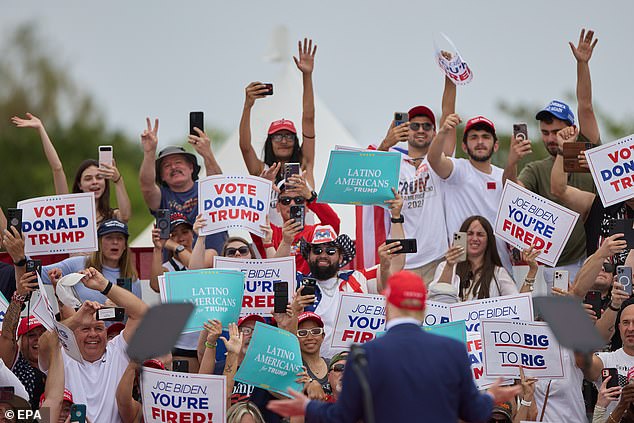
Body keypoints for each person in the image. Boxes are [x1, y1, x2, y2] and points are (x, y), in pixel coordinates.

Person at [266, 271, 521, 421]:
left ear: (387, 307)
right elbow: (474, 412)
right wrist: (490, 398)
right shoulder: (453, 350)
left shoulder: (364, 354)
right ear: (422, 307)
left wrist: (308, 406)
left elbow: (343, 416)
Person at [504, 29, 601, 291]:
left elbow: (586, 105)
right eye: (545, 133)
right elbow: (512, 194)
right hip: (548, 266)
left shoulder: (585, 150)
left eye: (556, 132)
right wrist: (511, 162)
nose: (550, 138)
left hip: (590, 260)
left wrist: (582, 64)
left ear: (571, 128)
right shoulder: (536, 168)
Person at [38, 267, 149, 423]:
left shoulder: (118, 350)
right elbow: (45, 342)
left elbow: (142, 313)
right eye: (85, 329)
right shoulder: (63, 354)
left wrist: (104, 285)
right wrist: (77, 319)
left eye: (98, 328)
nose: (93, 334)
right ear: (73, 333)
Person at [375, 72, 456, 283]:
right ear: (405, 129)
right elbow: (369, 176)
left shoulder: (437, 160)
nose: (421, 130)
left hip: (436, 259)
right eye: (414, 125)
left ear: (435, 131)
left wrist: (450, 74)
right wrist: (386, 143)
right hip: (402, 262)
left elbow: (448, 112)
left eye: (427, 126)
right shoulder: (393, 162)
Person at [427, 113, 513, 273]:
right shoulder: (458, 169)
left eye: (486, 137)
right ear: (464, 146)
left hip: (499, 265)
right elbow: (433, 159)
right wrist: (444, 131)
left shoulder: (504, 176)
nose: (480, 142)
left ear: (496, 145)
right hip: (461, 266)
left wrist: (514, 161)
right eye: (474, 137)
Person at [11, 113, 132, 223]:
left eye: (99, 177)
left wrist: (118, 180)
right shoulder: (69, 212)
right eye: (88, 178)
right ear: (80, 184)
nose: (94, 182)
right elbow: (57, 168)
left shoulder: (112, 215)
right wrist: (40, 129)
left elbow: (125, 216)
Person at [138, 117, 227, 253]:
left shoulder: (206, 189)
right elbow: (146, 185)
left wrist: (207, 153)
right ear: (161, 176)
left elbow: (218, 186)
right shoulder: (163, 197)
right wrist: (149, 152)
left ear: (191, 167)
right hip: (175, 268)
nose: (174, 167)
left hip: (215, 264)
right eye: (167, 166)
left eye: (179, 162)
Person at [239, 38, 317, 189]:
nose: (283, 141)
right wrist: (247, 106)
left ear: (296, 141)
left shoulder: (305, 167)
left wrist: (307, 76)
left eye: (288, 136)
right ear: (269, 141)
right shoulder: (261, 171)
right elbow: (245, 146)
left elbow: (309, 119)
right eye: (277, 136)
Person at [551, 125, 634, 266]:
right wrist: (562, 150)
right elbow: (559, 190)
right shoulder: (597, 204)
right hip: (594, 284)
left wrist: (600, 170)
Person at [296, 224, 374, 358]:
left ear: (341, 257)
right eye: (317, 250)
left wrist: (396, 218)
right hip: (312, 369)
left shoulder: (356, 277)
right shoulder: (297, 282)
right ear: (308, 256)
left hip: (352, 365)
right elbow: (275, 271)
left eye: (331, 251)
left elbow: (391, 267)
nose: (323, 255)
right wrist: (295, 310)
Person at [428, 216, 535, 302]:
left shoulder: (498, 273)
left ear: (489, 240)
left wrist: (532, 271)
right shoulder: (445, 266)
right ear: (462, 237)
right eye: (470, 234)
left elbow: (519, 305)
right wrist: (450, 265)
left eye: (480, 235)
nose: (474, 239)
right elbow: (437, 299)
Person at [252, 175, 340, 273]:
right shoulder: (268, 232)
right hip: (278, 286)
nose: (292, 204)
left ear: (307, 207)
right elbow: (249, 215)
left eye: (299, 200)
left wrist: (311, 197)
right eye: (286, 200)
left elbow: (333, 222)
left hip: (310, 286)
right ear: (277, 206)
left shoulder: (315, 232)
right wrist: (261, 188)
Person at [41, 219, 141, 302]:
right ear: (99, 243)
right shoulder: (77, 264)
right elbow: (37, 274)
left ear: (125, 245)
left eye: (119, 238)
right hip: (82, 326)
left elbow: (138, 316)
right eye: (109, 238)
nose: (115, 242)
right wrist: (24, 255)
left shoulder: (133, 279)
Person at [296, 312, 330, 400]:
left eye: (315, 331)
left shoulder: (333, 365)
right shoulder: (294, 367)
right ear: (295, 338)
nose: (310, 337)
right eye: (302, 333)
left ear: (323, 336)